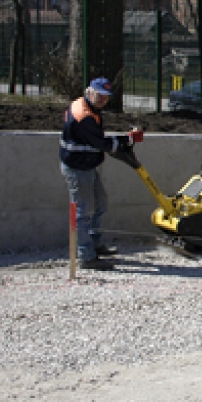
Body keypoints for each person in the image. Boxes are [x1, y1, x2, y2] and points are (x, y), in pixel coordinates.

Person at [59, 77, 142, 271]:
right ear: (90, 91)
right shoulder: (85, 116)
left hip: (85, 165)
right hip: (78, 167)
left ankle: (95, 245)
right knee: (82, 212)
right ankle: (86, 256)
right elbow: (101, 143)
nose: (103, 100)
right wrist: (125, 140)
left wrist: (124, 139)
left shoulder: (86, 107)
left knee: (100, 204)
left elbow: (97, 139)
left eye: (106, 97)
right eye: (100, 96)